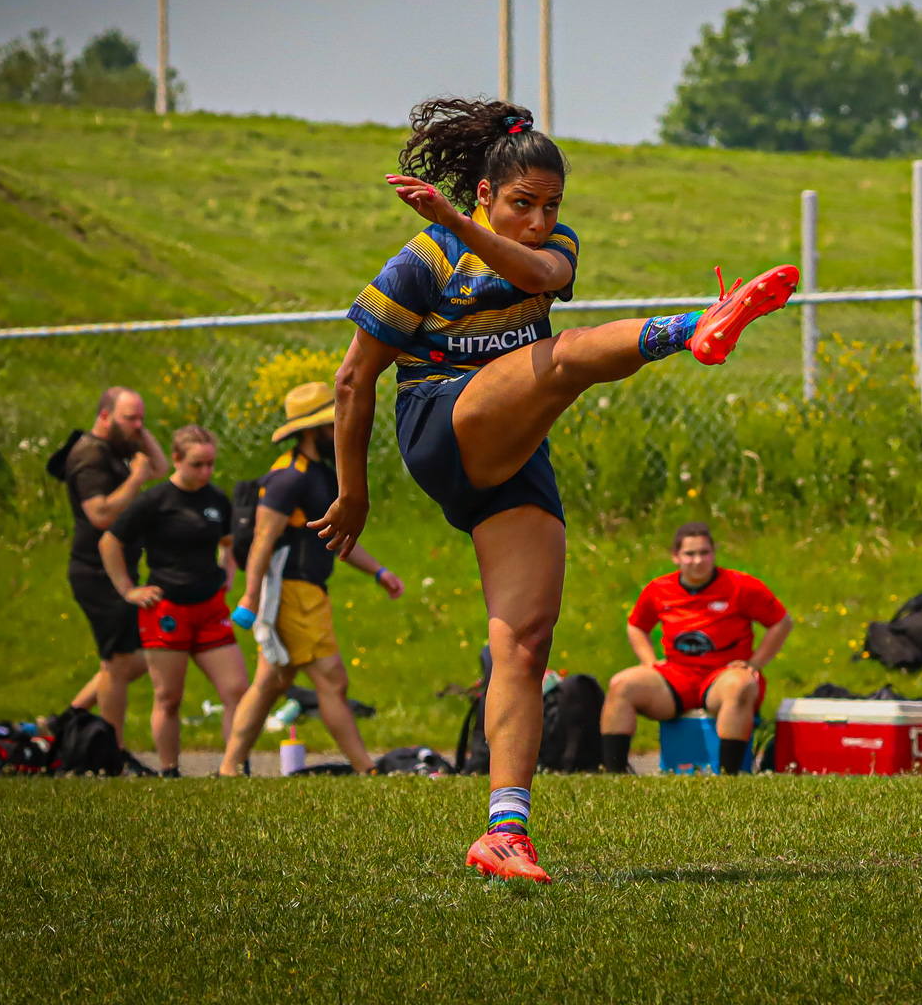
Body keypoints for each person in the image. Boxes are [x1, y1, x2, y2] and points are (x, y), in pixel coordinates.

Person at [315, 98, 798, 882]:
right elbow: (350, 380)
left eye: (550, 206)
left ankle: (505, 831)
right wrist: (355, 495)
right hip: (440, 426)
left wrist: (481, 228)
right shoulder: (422, 261)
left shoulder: (545, 245)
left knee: (524, 642)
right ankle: (695, 326)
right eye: (521, 205)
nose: (540, 221)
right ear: (482, 195)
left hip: (514, 454)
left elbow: (540, 273)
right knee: (568, 354)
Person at [220, 383, 405, 777]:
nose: (337, 429)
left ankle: (229, 767)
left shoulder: (320, 474)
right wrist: (250, 597)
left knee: (271, 683)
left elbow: (335, 536)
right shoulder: (288, 478)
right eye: (329, 423)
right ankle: (366, 769)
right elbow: (262, 541)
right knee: (332, 681)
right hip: (291, 594)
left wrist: (379, 572)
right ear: (311, 430)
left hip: (307, 593)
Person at [100, 424, 248, 778]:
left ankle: (234, 768)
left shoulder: (215, 498)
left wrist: (228, 573)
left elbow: (228, 542)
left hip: (210, 606)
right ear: (177, 459)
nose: (206, 472)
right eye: (197, 464)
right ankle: (170, 771)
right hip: (167, 609)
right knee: (169, 697)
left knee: (237, 691)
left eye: (211, 464)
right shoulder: (155, 501)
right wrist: (127, 590)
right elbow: (110, 542)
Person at [598, 522, 794, 775]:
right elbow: (636, 626)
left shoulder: (741, 586)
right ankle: (614, 775)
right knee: (621, 684)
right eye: (690, 554)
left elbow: (781, 622)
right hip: (677, 675)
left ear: (714, 553)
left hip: (722, 675)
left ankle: (730, 776)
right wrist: (648, 661)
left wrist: (755, 664)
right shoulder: (660, 589)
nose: (698, 560)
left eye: (704, 552)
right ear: (676, 556)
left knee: (740, 685)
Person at [63, 387, 169, 744]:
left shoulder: (117, 447)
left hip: (120, 568)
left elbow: (161, 467)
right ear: (105, 416)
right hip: (96, 572)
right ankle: (112, 751)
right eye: (130, 418)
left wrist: (138, 433)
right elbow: (100, 515)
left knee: (127, 661)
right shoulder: (88, 457)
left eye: (142, 418)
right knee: (120, 662)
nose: (137, 427)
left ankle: (69, 717)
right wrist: (135, 479)